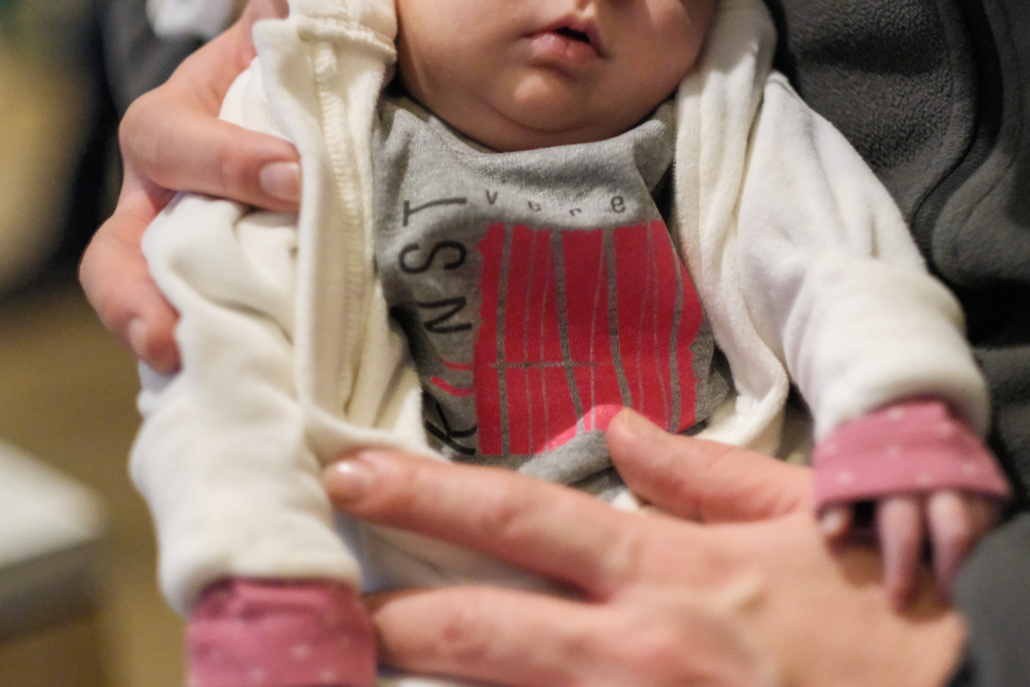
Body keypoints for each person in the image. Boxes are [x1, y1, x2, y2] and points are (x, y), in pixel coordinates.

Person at [78, 0, 1030, 685]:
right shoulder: (299, 126)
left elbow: (842, 265)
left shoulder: (735, 122)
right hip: (410, 598)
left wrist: (896, 408)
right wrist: (261, 576)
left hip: (764, 585)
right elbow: (224, 361)